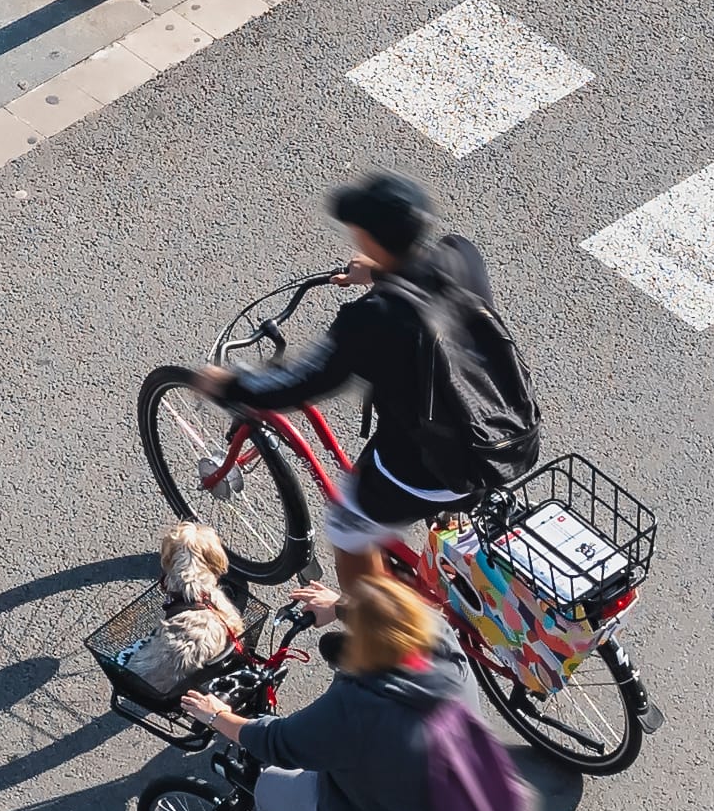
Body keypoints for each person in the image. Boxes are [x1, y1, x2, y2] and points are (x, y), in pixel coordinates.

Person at [193, 172, 536, 595]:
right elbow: (427, 286)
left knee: (345, 526)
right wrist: (380, 273)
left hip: (424, 473)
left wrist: (229, 385)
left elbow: (299, 383)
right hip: (504, 439)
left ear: (369, 238)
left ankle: (367, 622)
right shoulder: (460, 254)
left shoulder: (372, 319)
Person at [179, 572, 461, 811]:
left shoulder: (355, 708)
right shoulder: (439, 640)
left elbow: (275, 742)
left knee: (270, 791)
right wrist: (341, 605)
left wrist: (216, 716)